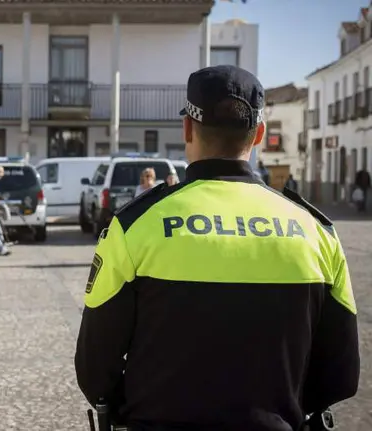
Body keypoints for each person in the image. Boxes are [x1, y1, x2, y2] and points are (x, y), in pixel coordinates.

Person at [75, 65, 359, 431]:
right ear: (258, 135)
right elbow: (341, 375)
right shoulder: (317, 232)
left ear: (187, 129)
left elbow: (95, 370)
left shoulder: (133, 226)